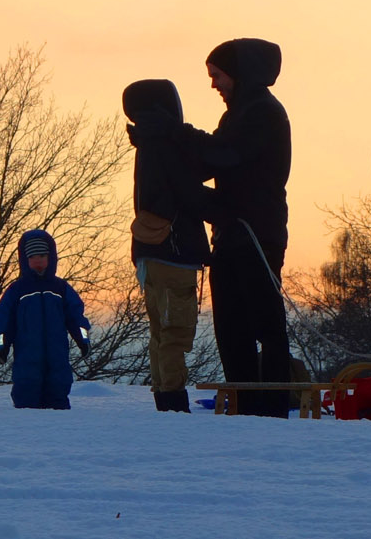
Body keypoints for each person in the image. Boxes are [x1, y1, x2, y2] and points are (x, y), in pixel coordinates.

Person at [137, 38, 292, 417]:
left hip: (257, 235)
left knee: (264, 322)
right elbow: (206, 164)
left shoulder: (263, 113)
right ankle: (245, 402)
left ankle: (271, 405)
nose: (214, 84)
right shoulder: (236, 115)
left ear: (239, 74)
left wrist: (175, 132)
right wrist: (160, 147)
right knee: (230, 326)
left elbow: (223, 155)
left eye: (217, 75)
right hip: (229, 234)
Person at [123, 78, 212, 413]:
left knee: (160, 331)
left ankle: (165, 394)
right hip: (175, 252)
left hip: (150, 253)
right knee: (175, 332)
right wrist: (230, 208)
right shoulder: (165, 144)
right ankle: (173, 402)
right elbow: (189, 194)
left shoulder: (146, 144)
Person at [0, 228, 91, 410]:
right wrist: (2, 345)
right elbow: (4, 320)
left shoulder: (60, 288)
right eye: (32, 257)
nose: (37, 261)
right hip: (27, 352)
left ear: (50, 258)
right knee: (26, 385)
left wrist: (82, 339)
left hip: (57, 353)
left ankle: (59, 425)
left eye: (42, 256)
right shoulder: (17, 290)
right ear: (25, 260)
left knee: (59, 384)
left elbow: (75, 316)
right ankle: (26, 426)